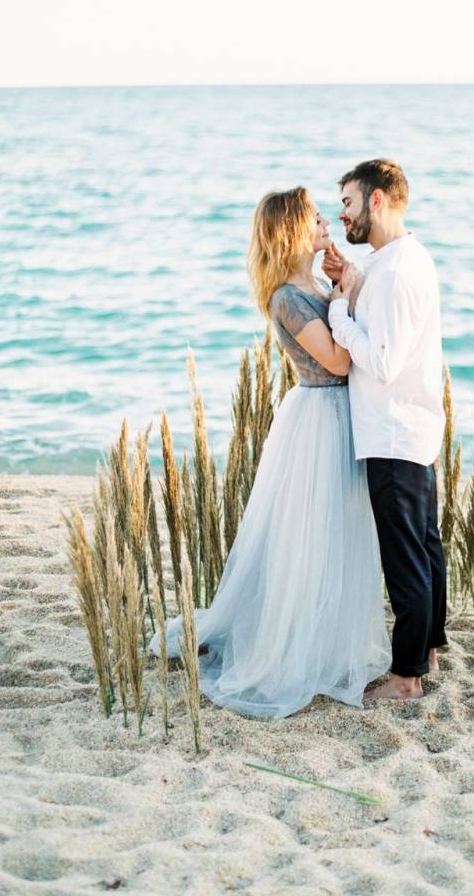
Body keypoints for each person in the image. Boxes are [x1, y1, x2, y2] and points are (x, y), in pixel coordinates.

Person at [150, 187, 391, 718]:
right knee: (309, 537)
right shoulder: (287, 296)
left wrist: (339, 287)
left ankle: (328, 641)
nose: (327, 222)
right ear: (293, 230)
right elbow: (336, 363)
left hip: (343, 418)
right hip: (318, 422)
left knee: (343, 534)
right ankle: (292, 648)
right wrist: (340, 296)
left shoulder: (316, 284)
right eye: (316, 218)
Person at [323, 159, 447, 701]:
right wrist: (349, 279)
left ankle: (405, 678)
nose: (341, 213)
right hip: (413, 428)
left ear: (376, 201)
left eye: (348, 202)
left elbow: (382, 358)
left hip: (392, 433)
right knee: (425, 547)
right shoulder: (402, 258)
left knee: (405, 562)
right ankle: (429, 649)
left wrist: (337, 317)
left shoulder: (395, 271)